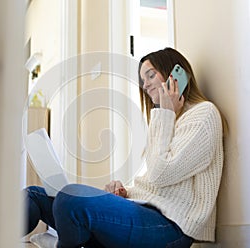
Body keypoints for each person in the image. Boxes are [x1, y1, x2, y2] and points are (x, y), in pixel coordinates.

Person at [23, 47, 225, 248]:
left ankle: (68, 241)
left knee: (69, 199)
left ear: (174, 74)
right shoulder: (167, 119)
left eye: (150, 75)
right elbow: (155, 183)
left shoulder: (203, 115)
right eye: (142, 81)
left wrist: (165, 114)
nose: (145, 85)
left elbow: (161, 174)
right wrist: (124, 192)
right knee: (34, 195)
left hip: (170, 228)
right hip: (142, 211)